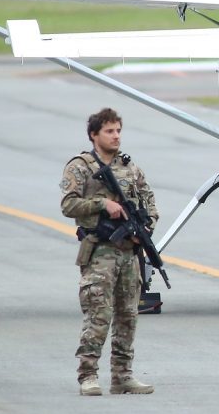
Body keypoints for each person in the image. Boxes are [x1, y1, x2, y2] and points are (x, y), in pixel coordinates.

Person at [62, 108, 158, 396]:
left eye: (118, 130)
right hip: (100, 253)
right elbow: (68, 205)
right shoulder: (80, 167)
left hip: (129, 253)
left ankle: (122, 375)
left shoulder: (130, 168)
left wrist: (145, 231)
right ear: (94, 135)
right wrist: (102, 205)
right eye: (109, 131)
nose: (116, 136)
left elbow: (150, 203)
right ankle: (88, 376)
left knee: (128, 315)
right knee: (98, 316)